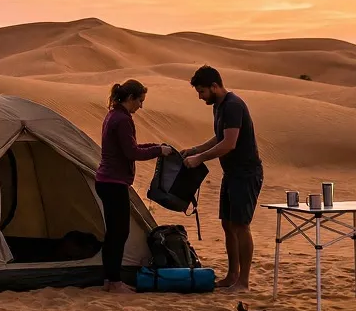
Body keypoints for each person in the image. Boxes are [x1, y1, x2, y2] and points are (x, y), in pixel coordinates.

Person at [181, 66, 263, 292]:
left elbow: (229, 144)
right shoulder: (219, 106)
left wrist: (200, 159)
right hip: (231, 173)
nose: (200, 96)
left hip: (246, 174)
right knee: (227, 224)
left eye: (202, 91)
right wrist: (195, 150)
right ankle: (232, 275)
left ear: (214, 86)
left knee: (240, 225)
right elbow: (220, 136)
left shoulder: (234, 105)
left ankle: (243, 282)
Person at [94, 79, 174, 294]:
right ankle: (115, 281)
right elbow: (132, 153)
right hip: (113, 183)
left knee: (114, 233)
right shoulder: (122, 119)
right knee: (119, 233)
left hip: (107, 181)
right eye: (140, 101)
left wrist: (158, 147)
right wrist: (158, 151)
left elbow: (131, 147)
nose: (141, 106)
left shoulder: (114, 115)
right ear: (130, 98)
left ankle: (109, 281)